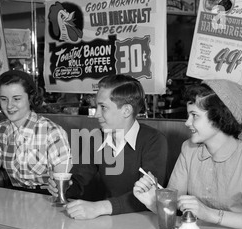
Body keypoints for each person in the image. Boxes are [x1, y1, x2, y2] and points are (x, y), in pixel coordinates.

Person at [134, 79, 242, 229]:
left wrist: (210, 214)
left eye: (194, 115)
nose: (187, 123)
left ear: (220, 116)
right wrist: (153, 202)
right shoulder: (189, 149)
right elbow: (174, 208)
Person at [49, 74, 168, 220]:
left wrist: (99, 207)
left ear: (126, 110)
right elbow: (79, 181)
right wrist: (62, 187)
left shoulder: (154, 140)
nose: (96, 114)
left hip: (144, 223)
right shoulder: (97, 138)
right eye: (96, 106)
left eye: (103, 107)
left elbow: (148, 195)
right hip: (110, 222)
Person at [0, 70, 72, 193]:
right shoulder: (2, 130)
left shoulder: (52, 132)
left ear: (30, 98)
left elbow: (63, 184)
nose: (9, 106)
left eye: (16, 99)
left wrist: (57, 186)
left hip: (47, 199)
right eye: (4, 99)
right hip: (15, 198)